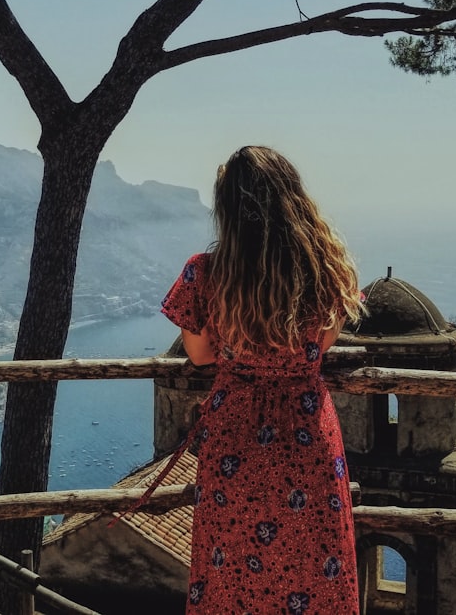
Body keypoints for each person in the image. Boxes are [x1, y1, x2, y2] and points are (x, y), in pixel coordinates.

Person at [161, 146, 363, 614]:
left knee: (228, 562)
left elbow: (200, 355)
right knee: (314, 558)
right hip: (306, 431)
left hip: (236, 436)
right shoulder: (328, 269)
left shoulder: (205, 272)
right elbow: (323, 343)